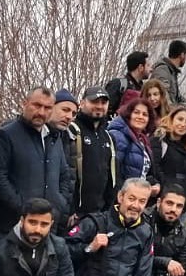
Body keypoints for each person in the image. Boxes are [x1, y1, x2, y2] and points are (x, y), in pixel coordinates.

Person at [0, 87, 76, 236]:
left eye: (47, 107)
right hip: (13, 226)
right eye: (37, 105)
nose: (41, 112)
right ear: (25, 103)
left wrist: (59, 203)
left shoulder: (54, 138)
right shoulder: (5, 135)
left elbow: (64, 175)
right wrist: (22, 208)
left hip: (47, 226)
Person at [71, 87, 117, 217]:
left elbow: (113, 178)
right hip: (75, 214)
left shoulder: (109, 137)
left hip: (101, 214)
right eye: (94, 102)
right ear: (82, 103)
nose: (99, 106)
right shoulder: (72, 131)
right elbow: (66, 175)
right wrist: (70, 210)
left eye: (103, 103)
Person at [152, 105, 186, 209]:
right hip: (163, 198)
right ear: (172, 119)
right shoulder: (160, 139)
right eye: (180, 119)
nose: (183, 124)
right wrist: (167, 188)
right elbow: (155, 167)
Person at [108, 98, 154, 187]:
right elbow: (114, 172)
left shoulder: (143, 140)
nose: (140, 117)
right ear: (128, 114)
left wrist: (154, 183)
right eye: (136, 112)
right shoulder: (118, 136)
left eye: (145, 114)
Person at [151, 39, 186, 106]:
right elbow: (164, 97)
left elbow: (178, 98)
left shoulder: (172, 72)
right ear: (182, 55)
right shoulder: (162, 70)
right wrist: (177, 111)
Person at [50, 89, 80, 173]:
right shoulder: (31, 134)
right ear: (51, 107)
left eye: (73, 114)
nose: (69, 117)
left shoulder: (70, 140)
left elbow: (69, 176)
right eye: (65, 110)